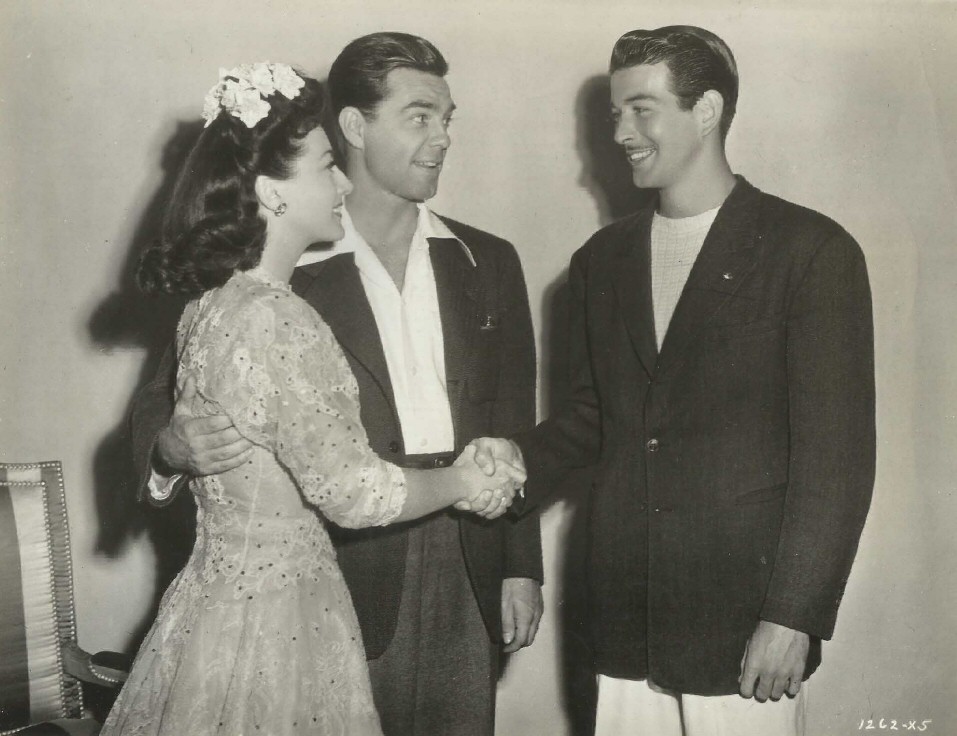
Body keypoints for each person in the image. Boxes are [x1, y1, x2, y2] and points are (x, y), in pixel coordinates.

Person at [129, 34, 544, 736]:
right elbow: (161, 403)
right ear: (353, 127)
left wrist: (519, 564)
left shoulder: (488, 261)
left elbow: (512, 420)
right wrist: (169, 450)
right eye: (420, 116)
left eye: (448, 118)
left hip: (468, 561)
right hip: (337, 574)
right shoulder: (271, 267)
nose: (442, 137)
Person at [472, 26, 875, 736]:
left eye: (641, 109)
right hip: (622, 623)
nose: (621, 132)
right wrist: (507, 464)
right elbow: (597, 421)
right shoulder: (600, 260)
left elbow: (834, 462)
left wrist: (792, 614)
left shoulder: (809, 251)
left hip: (744, 630)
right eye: (614, 114)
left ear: (708, 110)